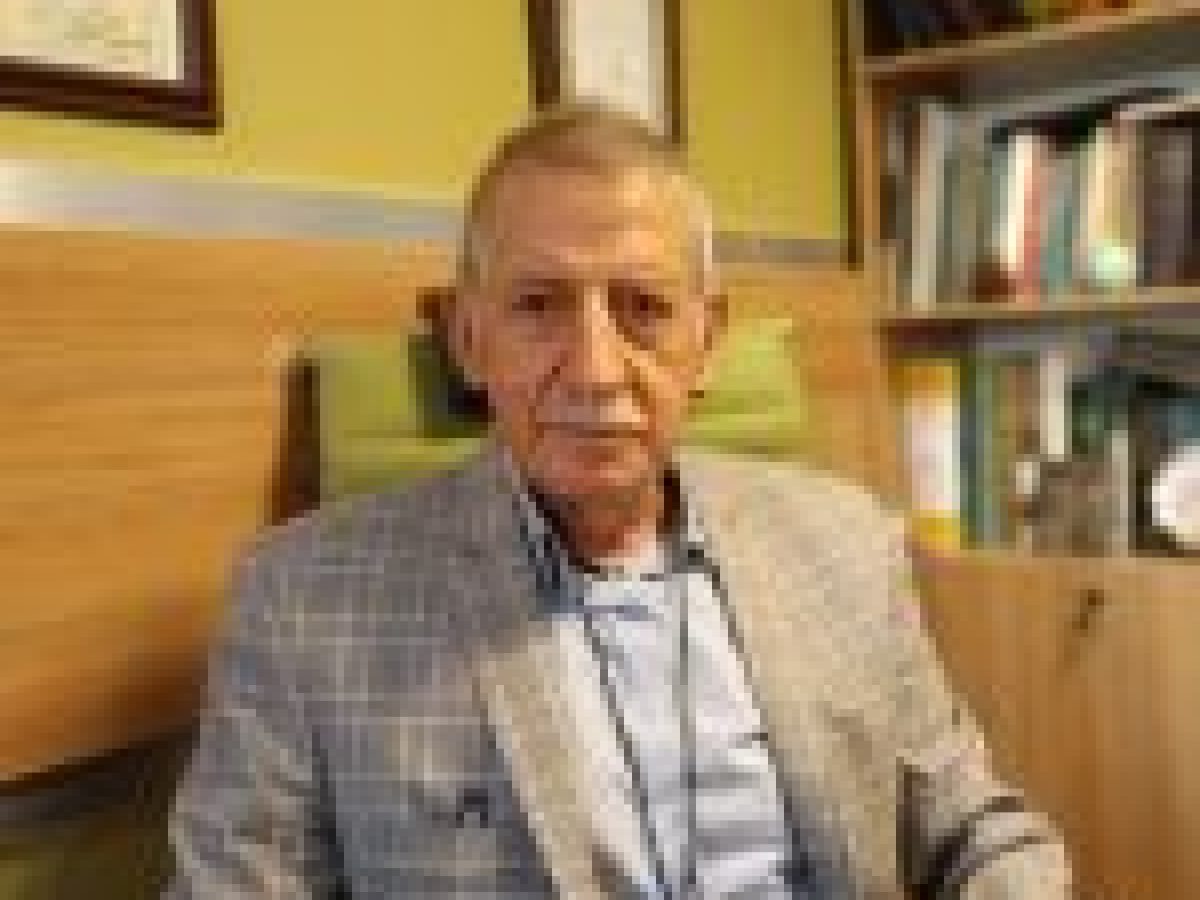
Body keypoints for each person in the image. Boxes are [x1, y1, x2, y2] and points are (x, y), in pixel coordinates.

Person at [165, 104, 1071, 898]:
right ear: (470, 339)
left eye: (643, 306)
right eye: (539, 305)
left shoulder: (844, 541)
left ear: (707, 339)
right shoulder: (302, 602)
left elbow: (978, 831)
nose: (598, 370)